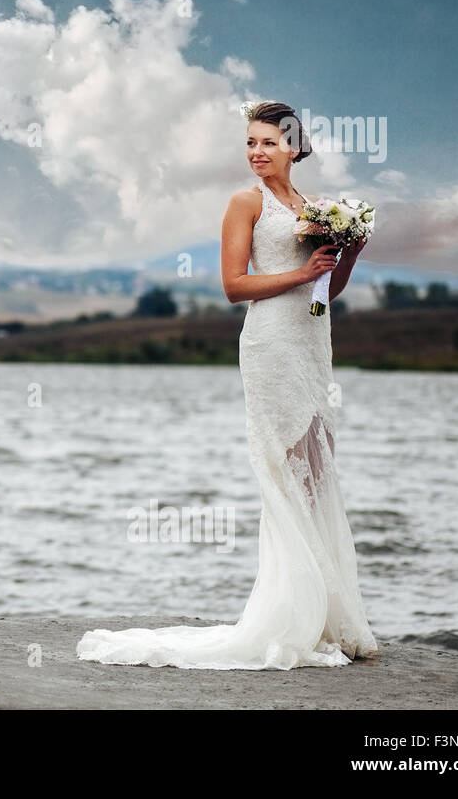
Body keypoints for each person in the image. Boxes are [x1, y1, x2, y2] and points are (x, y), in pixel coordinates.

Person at [76, 100, 380, 669]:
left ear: (294, 145)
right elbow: (234, 286)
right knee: (284, 472)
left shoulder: (315, 209)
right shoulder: (246, 202)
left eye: (267, 142)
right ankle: (288, 618)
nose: (256, 153)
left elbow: (324, 296)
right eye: (249, 143)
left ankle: (327, 616)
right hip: (268, 346)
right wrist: (303, 271)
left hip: (312, 343)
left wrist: (347, 257)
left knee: (316, 469)